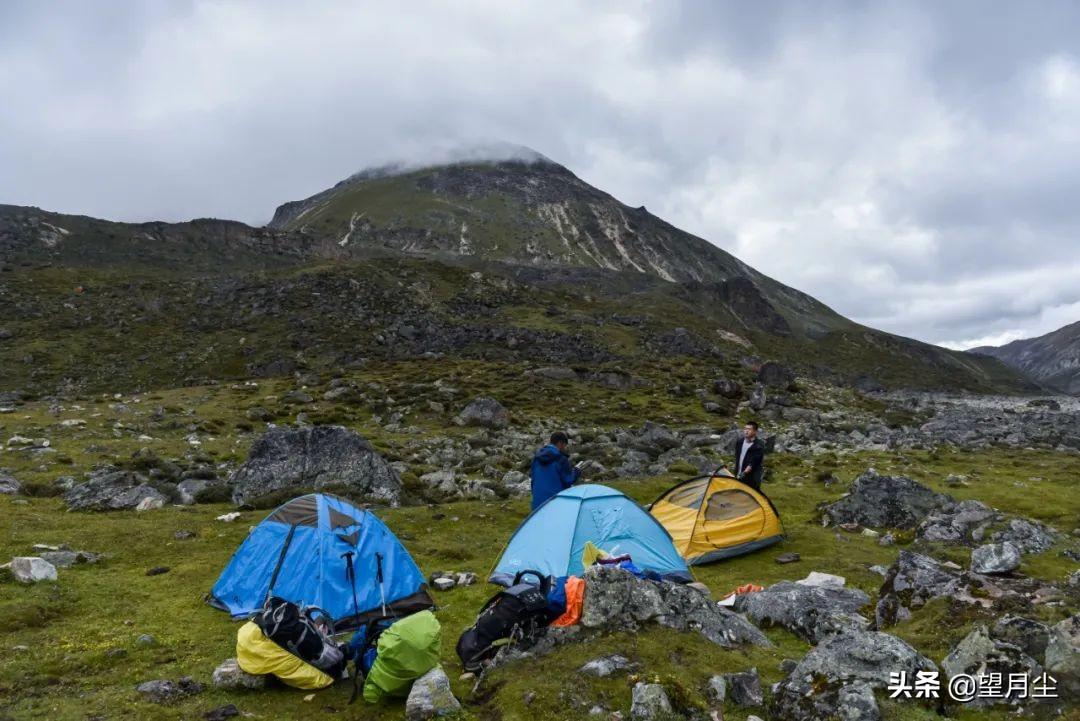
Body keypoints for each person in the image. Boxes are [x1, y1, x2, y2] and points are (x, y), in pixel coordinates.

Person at [529, 431, 581, 510]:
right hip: (554, 503)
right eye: (564, 445)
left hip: (537, 505)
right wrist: (577, 471)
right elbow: (568, 479)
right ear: (560, 443)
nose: (564, 448)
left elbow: (533, 481)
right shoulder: (560, 459)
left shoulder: (536, 459)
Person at [730, 421, 765, 491]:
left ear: (755, 431)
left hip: (752, 477)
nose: (746, 431)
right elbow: (737, 457)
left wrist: (744, 473)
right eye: (745, 429)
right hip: (739, 473)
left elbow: (754, 462)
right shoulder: (740, 442)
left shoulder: (759, 445)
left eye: (749, 429)